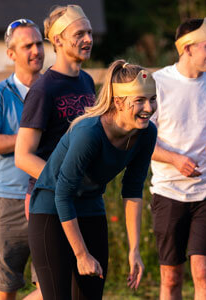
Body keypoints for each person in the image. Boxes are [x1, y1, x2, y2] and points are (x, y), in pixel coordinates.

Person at [28, 60, 157, 299]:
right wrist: (81, 254)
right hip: (51, 210)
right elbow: (63, 194)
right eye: (139, 100)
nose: (148, 108)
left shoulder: (147, 133)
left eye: (152, 99)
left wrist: (134, 250)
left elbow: (133, 190)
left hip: (90, 208)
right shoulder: (90, 133)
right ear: (118, 102)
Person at [150, 17, 206, 300]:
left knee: (202, 271)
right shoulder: (158, 83)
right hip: (168, 192)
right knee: (171, 278)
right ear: (187, 48)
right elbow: (141, 141)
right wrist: (175, 159)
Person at [0, 19, 43, 300]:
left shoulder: (52, 90)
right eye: (27, 46)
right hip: (9, 201)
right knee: (5, 289)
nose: (36, 51)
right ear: (11, 54)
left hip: (48, 198)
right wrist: (30, 138)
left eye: (39, 43)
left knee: (52, 287)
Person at [15, 5, 95, 218]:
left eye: (89, 33)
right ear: (58, 40)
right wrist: (65, 184)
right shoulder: (43, 89)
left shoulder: (87, 81)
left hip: (84, 199)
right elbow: (23, 156)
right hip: (48, 201)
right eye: (79, 34)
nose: (88, 39)